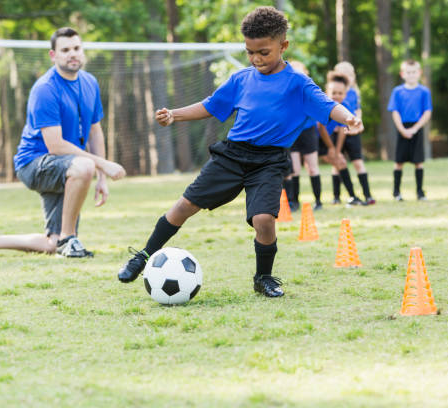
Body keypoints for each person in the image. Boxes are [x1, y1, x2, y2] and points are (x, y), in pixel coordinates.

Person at [117, 7, 363, 297]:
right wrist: (174, 114)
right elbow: (210, 105)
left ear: (283, 46)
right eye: (250, 52)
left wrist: (348, 118)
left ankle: (264, 278)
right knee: (183, 207)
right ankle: (143, 256)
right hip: (232, 156)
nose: (256, 59)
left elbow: (327, 105)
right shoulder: (241, 79)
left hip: (270, 161)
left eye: (264, 52)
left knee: (264, 220)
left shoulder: (298, 83)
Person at [0, 27, 126, 260]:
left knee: (50, 244)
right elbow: (55, 146)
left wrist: (102, 178)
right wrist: (102, 165)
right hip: (34, 164)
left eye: (76, 48)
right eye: (65, 50)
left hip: (65, 167)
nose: (72, 54)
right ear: (53, 55)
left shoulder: (90, 82)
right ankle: (68, 238)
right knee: (84, 166)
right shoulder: (45, 88)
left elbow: (95, 131)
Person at [316, 71, 365, 207]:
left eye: (340, 93)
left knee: (341, 161)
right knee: (337, 163)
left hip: (329, 140)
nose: (337, 96)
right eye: (334, 93)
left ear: (345, 94)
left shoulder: (345, 108)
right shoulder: (323, 105)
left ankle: (352, 196)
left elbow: (344, 131)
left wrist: (337, 152)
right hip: (316, 139)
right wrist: (332, 149)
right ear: (327, 92)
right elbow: (321, 128)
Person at [387, 59, 432, 201]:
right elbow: (394, 111)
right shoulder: (397, 91)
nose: (411, 75)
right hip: (402, 128)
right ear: (402, 74)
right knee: (399, 162)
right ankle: (396, 192)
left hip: (417, 128)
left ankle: (420, 192)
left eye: (413, 72)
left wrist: (415, 128)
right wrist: (402, 129)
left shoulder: (424, 91)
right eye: (408, 72)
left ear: (419, 73)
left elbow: (427, 112)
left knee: (418, 161)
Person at [333, 61, 375, 205]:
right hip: (338, 131)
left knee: (358, 162)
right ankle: (336, 196)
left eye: (349, 75)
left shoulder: (354, 93)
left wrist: (358, 123)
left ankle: (367, 195)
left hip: (352, 132)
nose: (347, 78)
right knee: (337, 163)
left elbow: (357, 111)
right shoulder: (334, 92)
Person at [285, 60, 323, 211]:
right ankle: (293, 201)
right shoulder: (286, 93)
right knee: (294, 169)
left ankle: (318, 201)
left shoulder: (310, 90)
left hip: (308, 132)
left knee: (313, 168)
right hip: (293, 133)